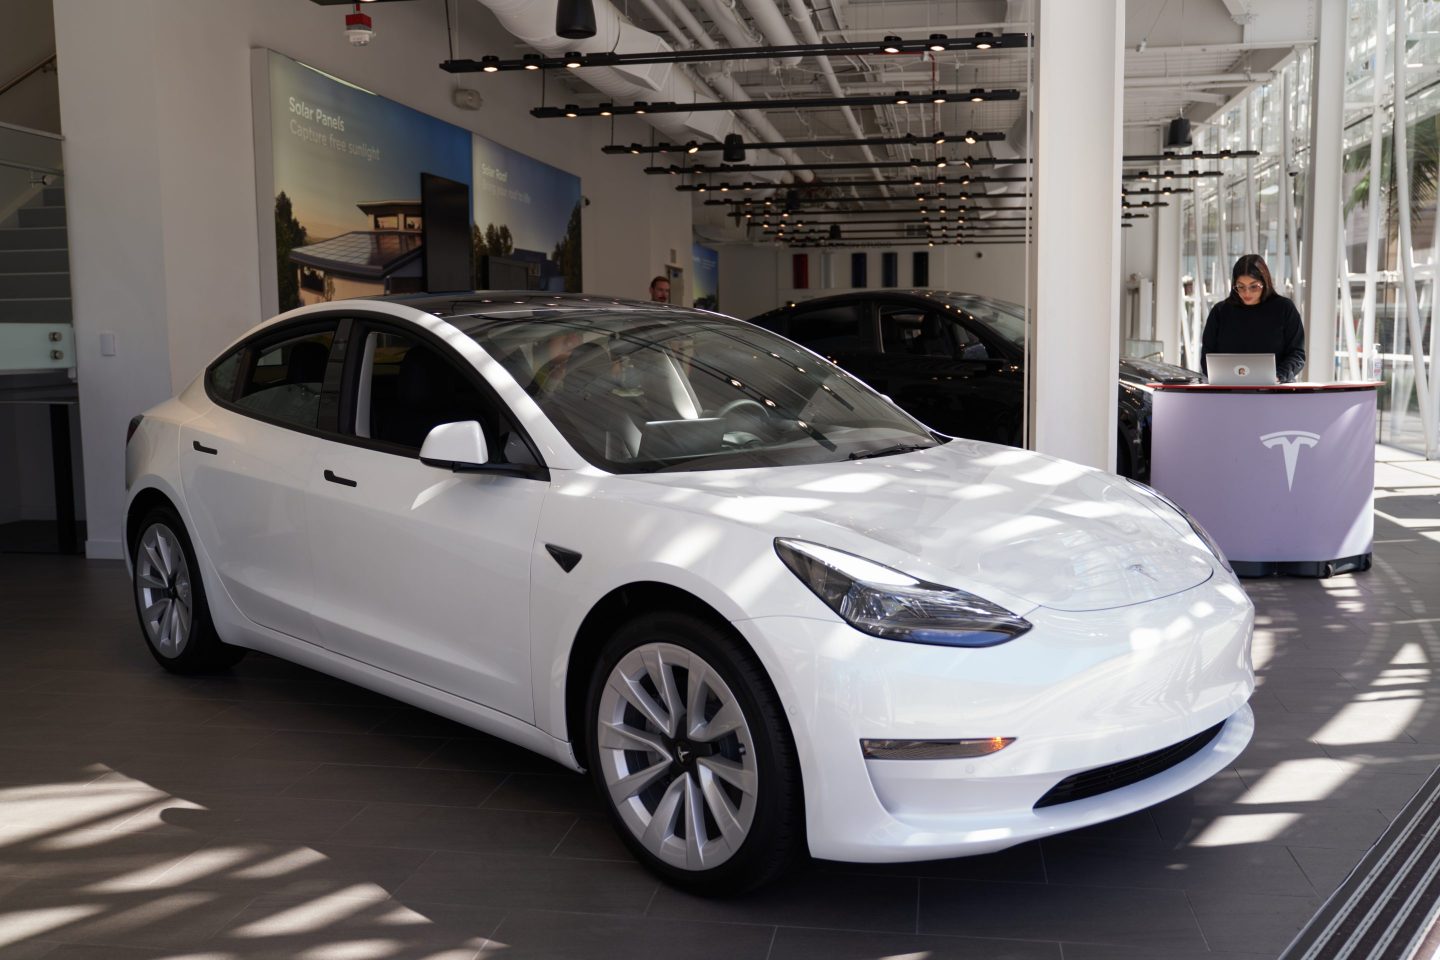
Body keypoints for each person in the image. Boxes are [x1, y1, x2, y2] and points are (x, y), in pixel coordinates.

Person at [1200, 253, 1306, 383]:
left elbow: (1297, 354)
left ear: (1265, 282)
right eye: (1240, 286)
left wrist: (1279, 376)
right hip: (1229, 391)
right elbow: (1207, 356)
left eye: (1254, 286)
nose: (1247, 293)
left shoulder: (1284, 308)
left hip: (1275, 391)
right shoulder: (1220, 312)